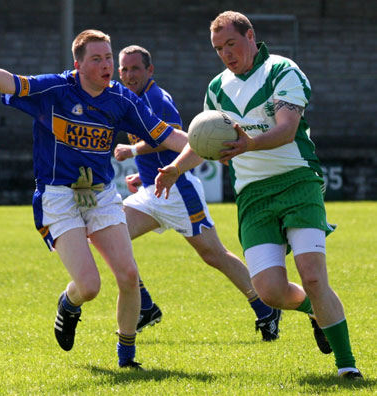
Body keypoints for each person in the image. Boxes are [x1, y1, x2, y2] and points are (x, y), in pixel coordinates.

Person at [0, 30, 189, 369]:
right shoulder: (55, 89)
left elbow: (168, 135)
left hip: (100, 195)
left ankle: (127, 359)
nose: (106, 65)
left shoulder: (123, 100)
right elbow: (12, 83)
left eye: (109, 57)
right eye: (96, 59)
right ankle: (69, 304)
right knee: (89, 285)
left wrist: (213, 144)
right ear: (78, 64)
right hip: (58, 198)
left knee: (128, 276)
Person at [154, 11, 363, 379]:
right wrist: (174, 168)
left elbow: (286, 130)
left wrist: (249, 143)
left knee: (313, 278)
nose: (225, 54)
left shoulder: (283, 71)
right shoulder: (217, 87)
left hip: (297, 182)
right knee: (268, 292)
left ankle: (347, 366)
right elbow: (203, 142)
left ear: (250, 36)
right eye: (218, 48)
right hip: (252, 196)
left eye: (231, 44)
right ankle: (315, 311)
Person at [114, 45, 281, 341]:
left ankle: (265, 307)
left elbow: (175, 138)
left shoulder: (156, 98)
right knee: (109, 236)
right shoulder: (131, 97)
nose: (129, 75)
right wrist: (144, 175)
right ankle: (145, 307)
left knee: (214, 254)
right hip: (154, 189)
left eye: (135, 68)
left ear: (149, 71)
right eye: (124, 69)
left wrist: (132, 150)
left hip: (179, 191)